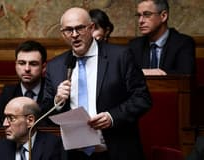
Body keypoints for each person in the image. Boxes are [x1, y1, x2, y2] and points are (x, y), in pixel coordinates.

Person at [42, 7, 152, 160]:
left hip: (115, 150)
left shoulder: (120, 56)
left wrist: (112, 116)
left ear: (92, 28)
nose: (74, 35)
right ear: (62, 34)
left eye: (79, 28)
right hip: (74, 154)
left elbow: (142, 98)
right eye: (68, 30)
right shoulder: (55, 66)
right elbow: (45, 112)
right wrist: (57, 101)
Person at [0, 40, 47, 127]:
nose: (27, 69)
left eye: (33, 64)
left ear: (44, 67)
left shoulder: (52, 91)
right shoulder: (8, 92)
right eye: (22, 63)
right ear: (16, 65)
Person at [128, 0, 195, 75]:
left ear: (163, 16)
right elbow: (126, 74)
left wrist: (156, 73)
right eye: (139, 15)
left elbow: (185, 75)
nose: (140, 21)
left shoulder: (183, 43)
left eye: (147, 14)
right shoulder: (134, 45)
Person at [0, 97, 64, 160]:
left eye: (11, 118)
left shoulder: (53, 145)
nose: (5, 124)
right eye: (5, 118)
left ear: (30, 120)